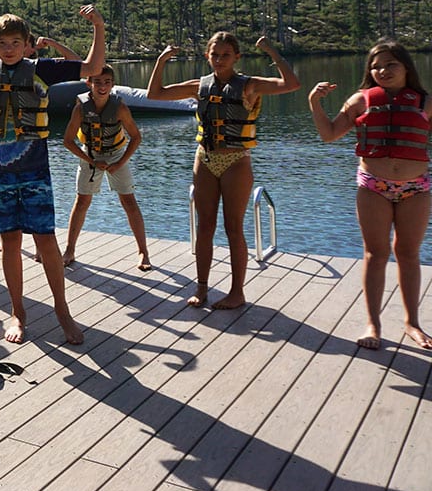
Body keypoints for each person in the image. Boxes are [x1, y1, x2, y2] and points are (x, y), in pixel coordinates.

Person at [0, 3, 106, 345]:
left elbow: (93, 67)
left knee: (45, 240)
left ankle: (62, 311)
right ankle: (18, 312)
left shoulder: (43, 69)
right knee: (9, 242)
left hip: (34, 171)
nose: (8, 49)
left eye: (15, 43)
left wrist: (98, 26)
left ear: (27, 43)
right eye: (2, 44)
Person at [148, 33, 299, 310]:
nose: (219, 60)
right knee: (205, 227)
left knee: (233, 229)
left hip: (236, 161)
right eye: (214, 54)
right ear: (207, 56)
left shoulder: (249, 86)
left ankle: (236, 292)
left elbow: (292, 84)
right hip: (204, 159)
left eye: (225, 55)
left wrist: (270, 51)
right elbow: (154, 94)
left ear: (236, 57)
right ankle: (202, 288)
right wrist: (160, 61)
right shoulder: (199, 86)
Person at [308, 39, 432, 350]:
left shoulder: (425, 102)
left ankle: (412, 323)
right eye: (376, 66)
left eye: (390, 64)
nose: (382, 70)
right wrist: (314, 102)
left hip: (415, 188)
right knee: (375, 255)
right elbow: (328, 134)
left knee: (408, 254)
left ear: (406, 67)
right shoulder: (360, 101)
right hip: (373, 186)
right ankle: (373, 324)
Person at [60, 65, 151, 271]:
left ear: (112, 84)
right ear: (89, 84)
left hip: (117, 154)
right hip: (90, 155)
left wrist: (120, 162)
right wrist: (91, 161)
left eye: (107, 82)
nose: (102, 87)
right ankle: (70, 249)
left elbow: (136, 137)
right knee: (82, 200)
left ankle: (143, 252)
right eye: (98, 82)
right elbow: (68, 141)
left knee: (128, 200)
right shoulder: (80, 108)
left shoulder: (120, 108)